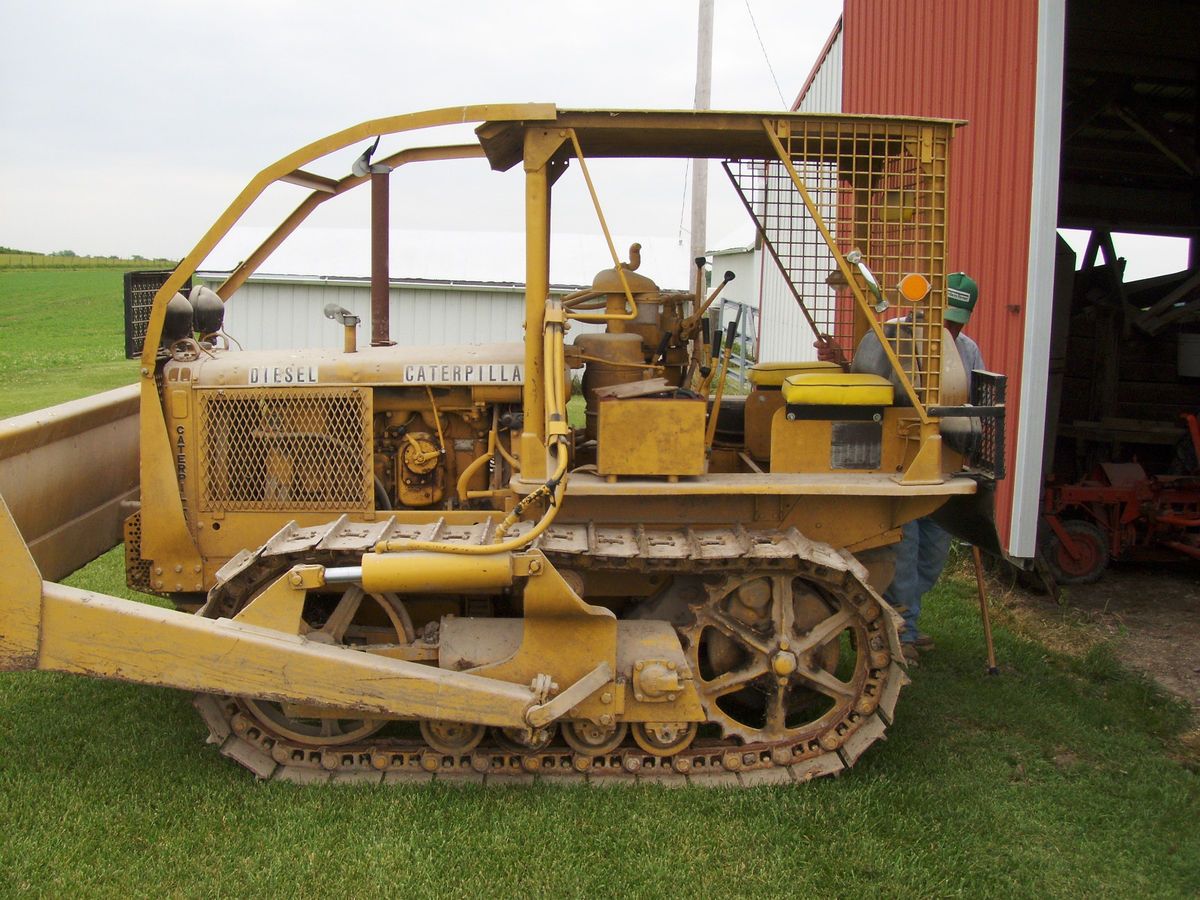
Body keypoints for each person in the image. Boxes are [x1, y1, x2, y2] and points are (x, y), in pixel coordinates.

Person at [816, 272, 984, 664]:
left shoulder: (968, 350)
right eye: (944, 318)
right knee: (902, 550)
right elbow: (861, 388)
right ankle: (900, 626)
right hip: (896, 463)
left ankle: (910, 615)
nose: (950, 328)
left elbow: (973, 401)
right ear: (924, 308)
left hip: (943, 462)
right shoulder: (884, 338)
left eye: (957, 322)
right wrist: (842, 361)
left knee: (933, 552)